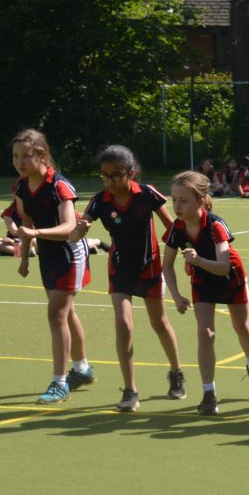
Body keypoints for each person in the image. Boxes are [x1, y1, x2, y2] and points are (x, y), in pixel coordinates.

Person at [71, 145, 188, 412]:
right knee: (123, 324)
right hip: (120, 269)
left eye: (115, 175)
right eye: (104, 175)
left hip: (150, 268)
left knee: (159, 322)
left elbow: (173, 227)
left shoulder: (146, 194)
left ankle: (176, 372)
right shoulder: (100, 200)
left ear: (131, 173)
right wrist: (79, 229)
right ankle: (130, 389)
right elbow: (76, 234)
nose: (109, 181)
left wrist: (188, 252)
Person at [162, 170, 249, 416]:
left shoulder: (215, 225)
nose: (177, 205)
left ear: (201, 200)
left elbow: (223, 267)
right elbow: (166, 266)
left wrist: (197, 260)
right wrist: (176, 296)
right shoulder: (176, 229)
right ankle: (209, 393)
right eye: (174, 200)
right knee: (206, 333)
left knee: (242, 327)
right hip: (202, 279)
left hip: (229, 276)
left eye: (184, 200)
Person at [7, 129, 97, 405]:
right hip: (47, 253)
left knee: (56, 314)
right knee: (66, 314)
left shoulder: (59, 186)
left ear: (41, 155)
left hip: (69, 253)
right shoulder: (23, 186)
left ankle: (60, 384)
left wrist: (34, 235)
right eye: (15, 157)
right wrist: (24, 255)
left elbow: (69, 227)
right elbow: (28, 220)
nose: (20, 162)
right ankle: (82, 369)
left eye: (26, 156)